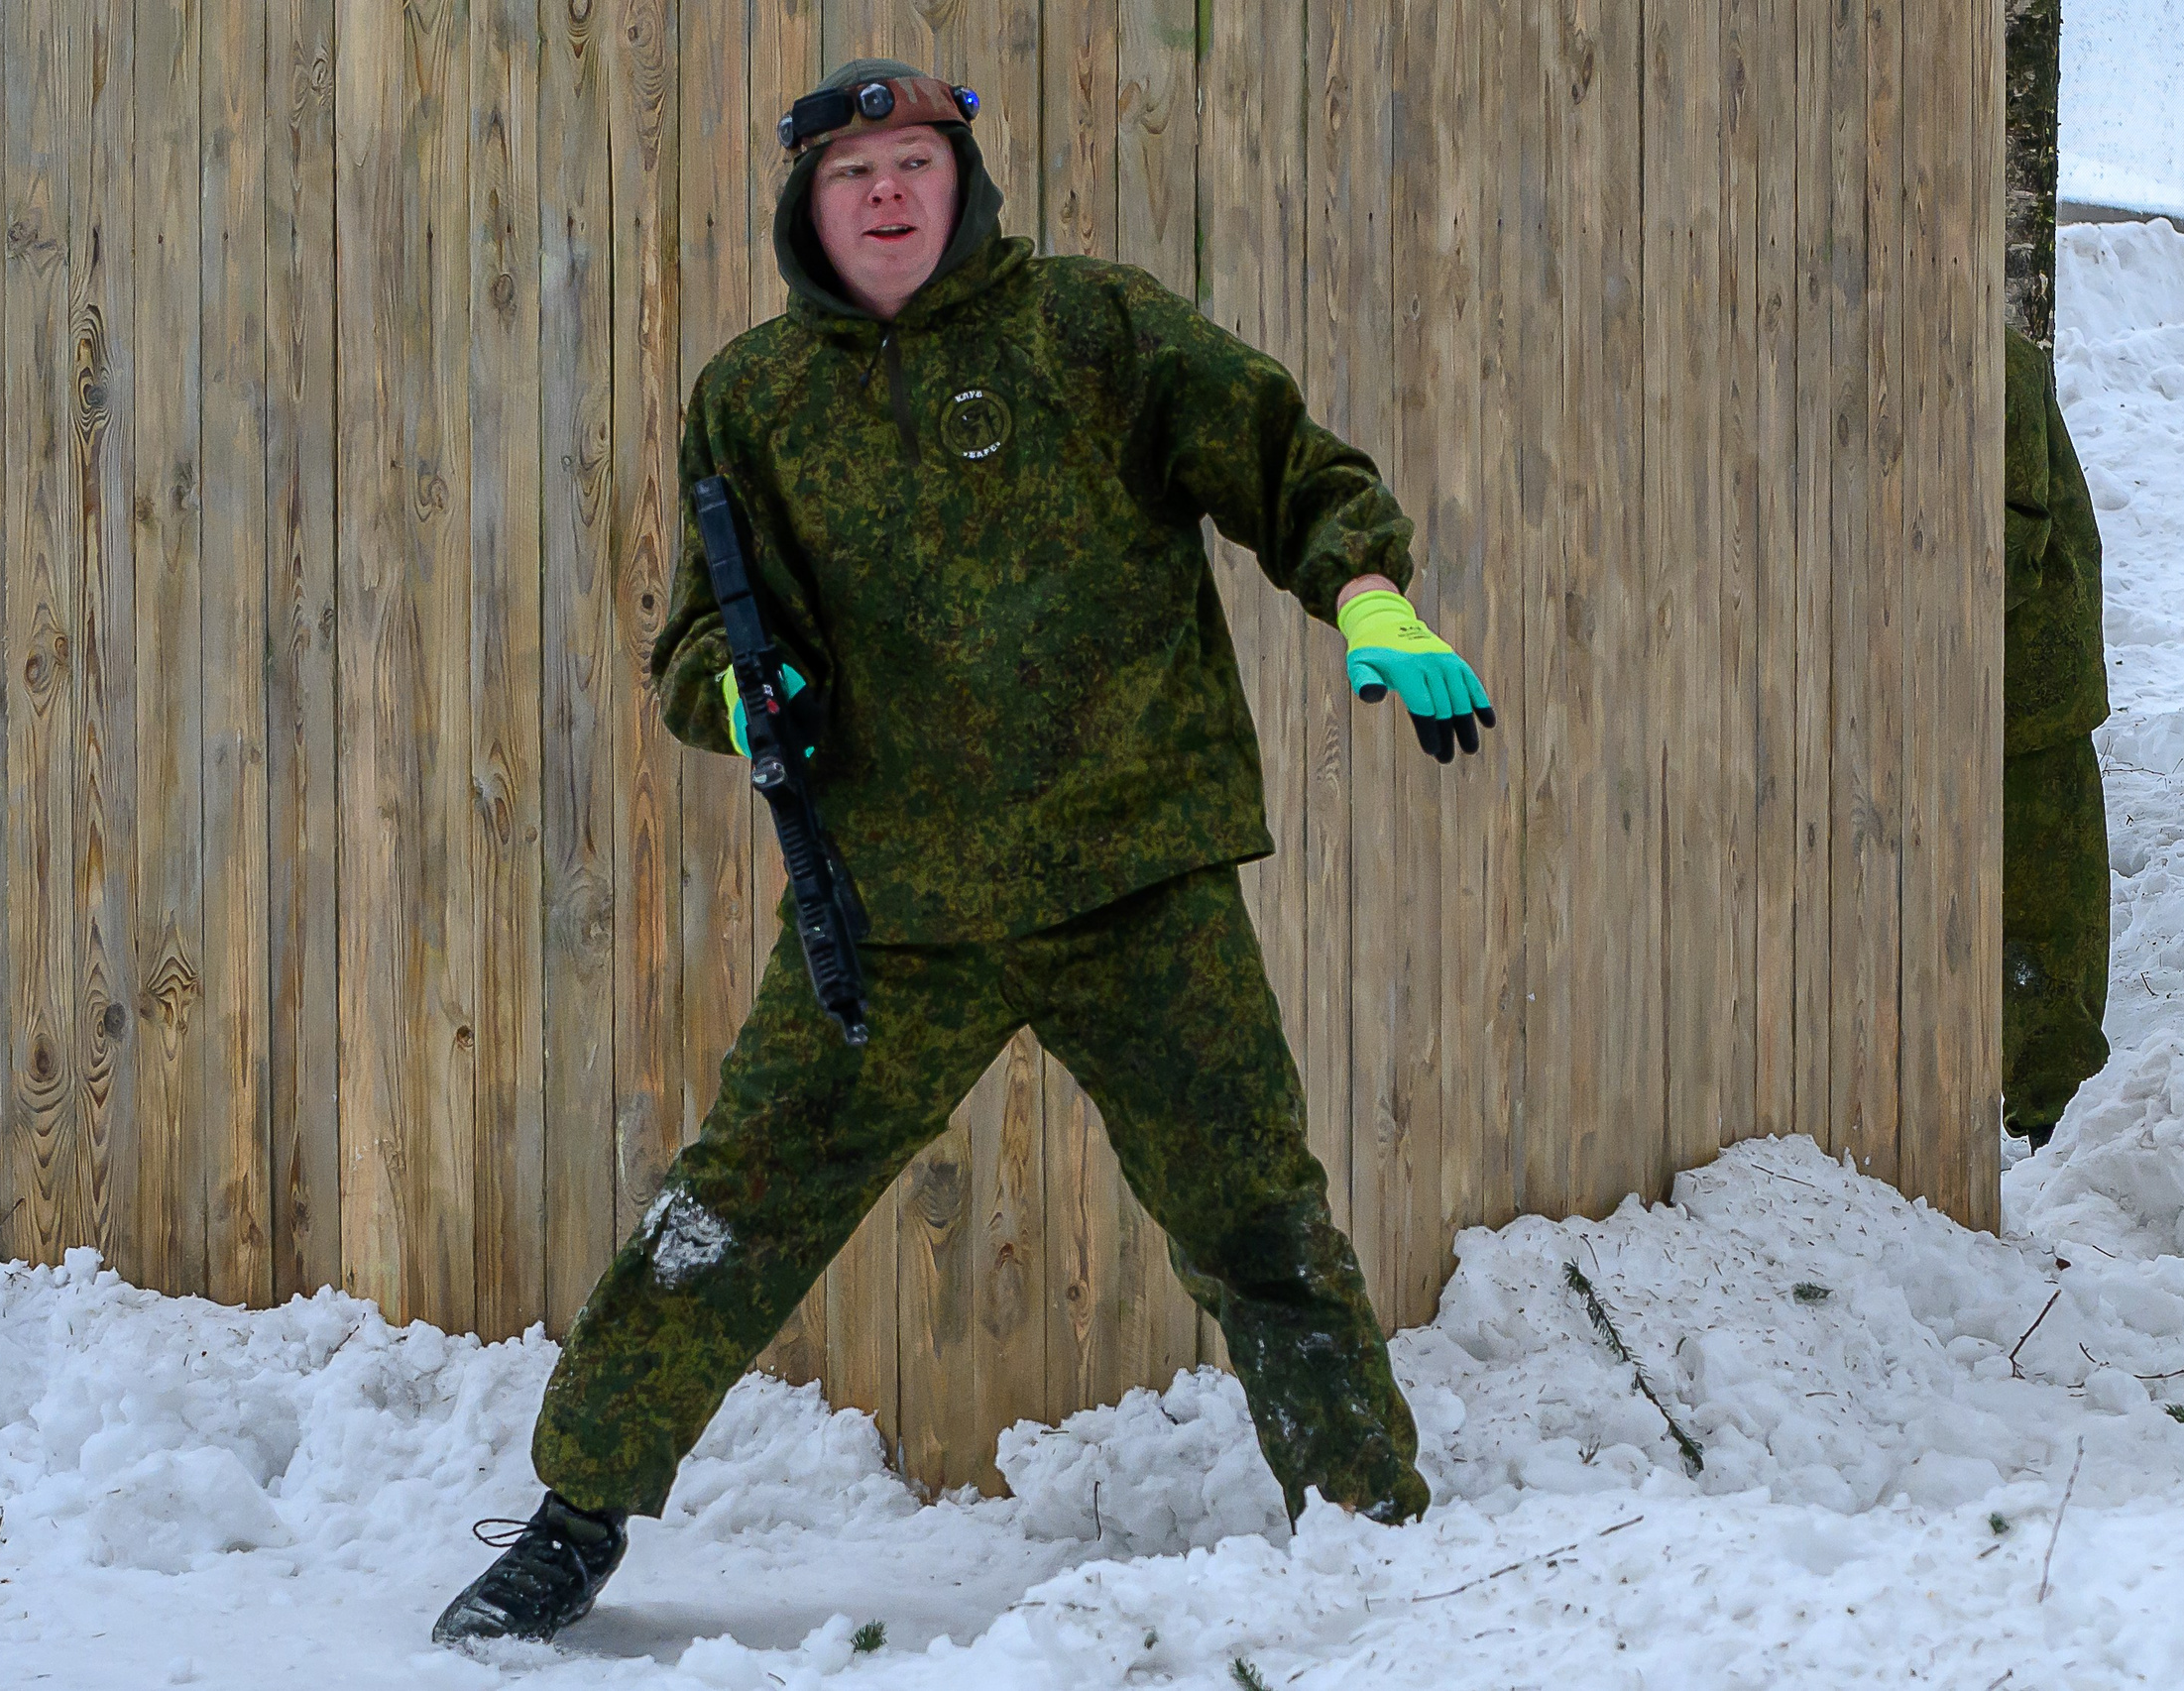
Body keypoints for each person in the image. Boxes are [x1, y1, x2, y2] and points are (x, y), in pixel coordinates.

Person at [432, 57, 1493, 1645]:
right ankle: (573, 1515)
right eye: (856, 168)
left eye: (916, 159)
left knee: (1256, 1215)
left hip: (1133, 874)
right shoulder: (753, 397)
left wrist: (1366, 592)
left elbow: (1288, 462)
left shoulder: (1094, 330)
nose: (888, 190)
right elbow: (692, 651)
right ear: (808, 200)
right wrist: (745, 686)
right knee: (734, 1208)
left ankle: (1375, 1527)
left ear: (960, 180)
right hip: (894, 905)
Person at [2002, 326, 2113, 1149]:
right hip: (1991, 694)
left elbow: (2012, 532)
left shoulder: (1989, 357)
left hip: (2030, 691)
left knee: (2049, 927)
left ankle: (2062, 1134)